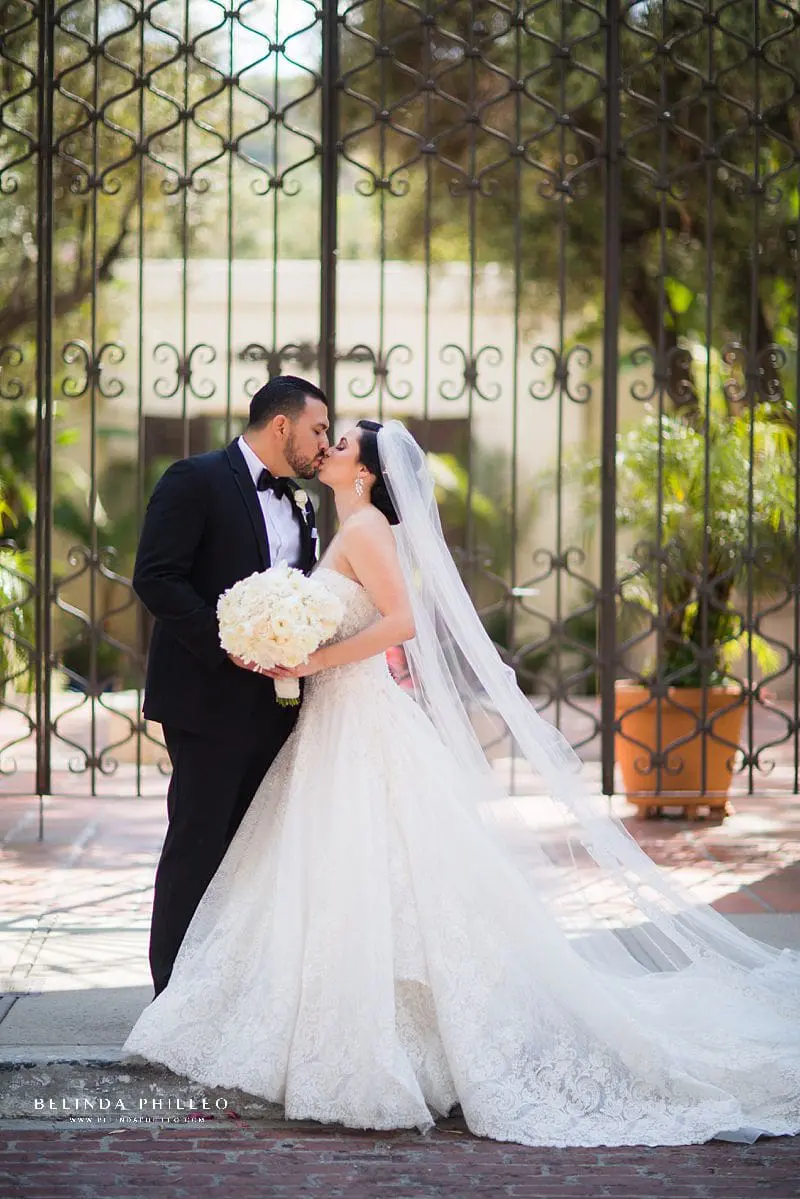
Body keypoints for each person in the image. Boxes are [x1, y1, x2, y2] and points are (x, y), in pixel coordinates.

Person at [124, 419, 800, 1147]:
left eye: (343, 441)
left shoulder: (367, 530)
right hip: (332, 722)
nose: (330, 447)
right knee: (330, 872)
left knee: (374, 870)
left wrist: (308, 662)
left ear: (369, 472)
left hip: (357, 720)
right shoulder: (343, 524)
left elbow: (401, 623)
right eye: (329, 433)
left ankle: (399, 1038)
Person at [132, 375, 329, 998]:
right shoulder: (194, 479)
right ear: (281, 426)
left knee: (253, 852)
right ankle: (172, 997)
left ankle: (230, 993)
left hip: (279, 706)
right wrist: (232, 645)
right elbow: (157, 577)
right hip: (206, 699)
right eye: (318, 430)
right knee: (198, 842)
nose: (322, 444)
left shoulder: (302, 500)